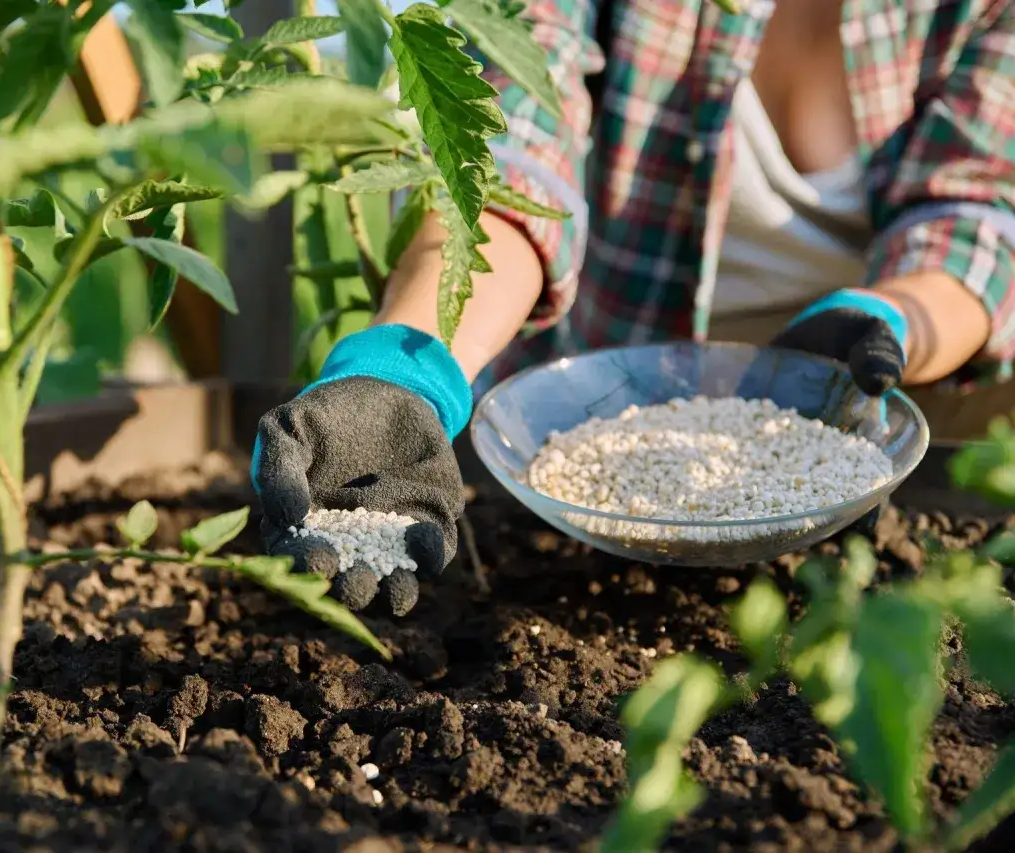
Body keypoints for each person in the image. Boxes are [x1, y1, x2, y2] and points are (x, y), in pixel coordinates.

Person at [253, 0, 1015, 615]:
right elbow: (508, 156)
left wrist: (893, 319)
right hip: (585, 420)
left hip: (840, 419)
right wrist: (406, 368)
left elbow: (976, 214)